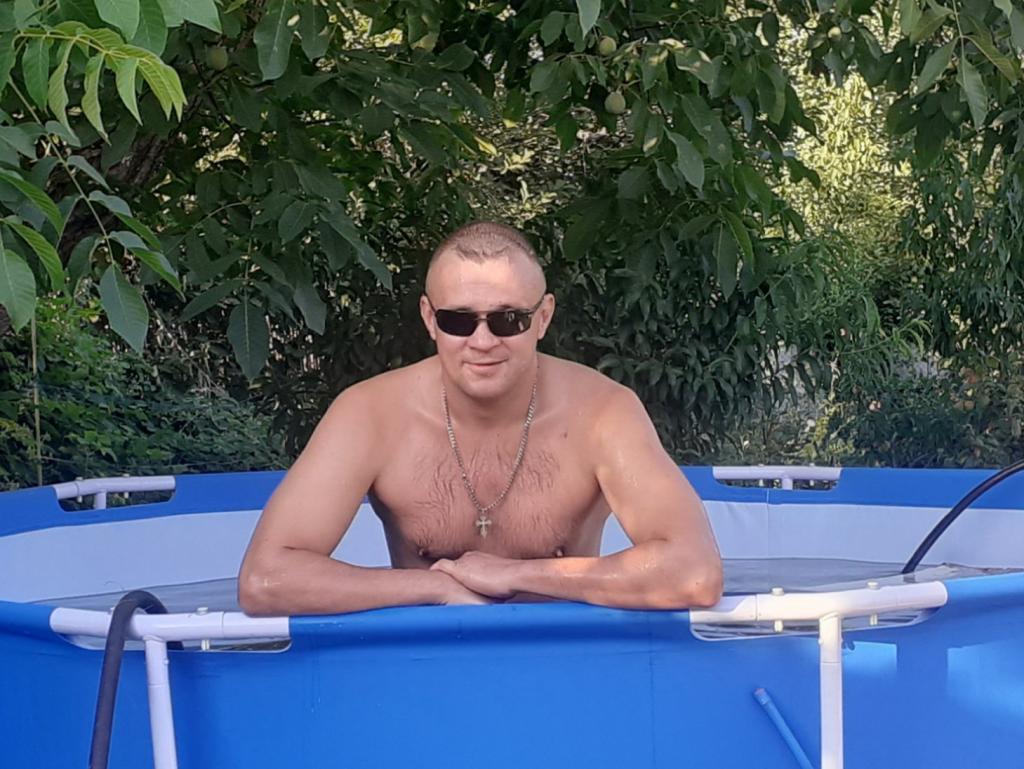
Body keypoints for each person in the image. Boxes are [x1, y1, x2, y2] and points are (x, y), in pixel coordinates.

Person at [238, 222, 722, 615]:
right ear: (429, 319)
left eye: (508, 319)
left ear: (543, 318)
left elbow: (693, 573)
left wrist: (515, 575)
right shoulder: (369, 414)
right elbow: (266, 579)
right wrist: (434, 588)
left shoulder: (602, 412)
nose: (483, 341)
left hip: (561, 660)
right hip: (427, 661)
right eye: (458, 320)